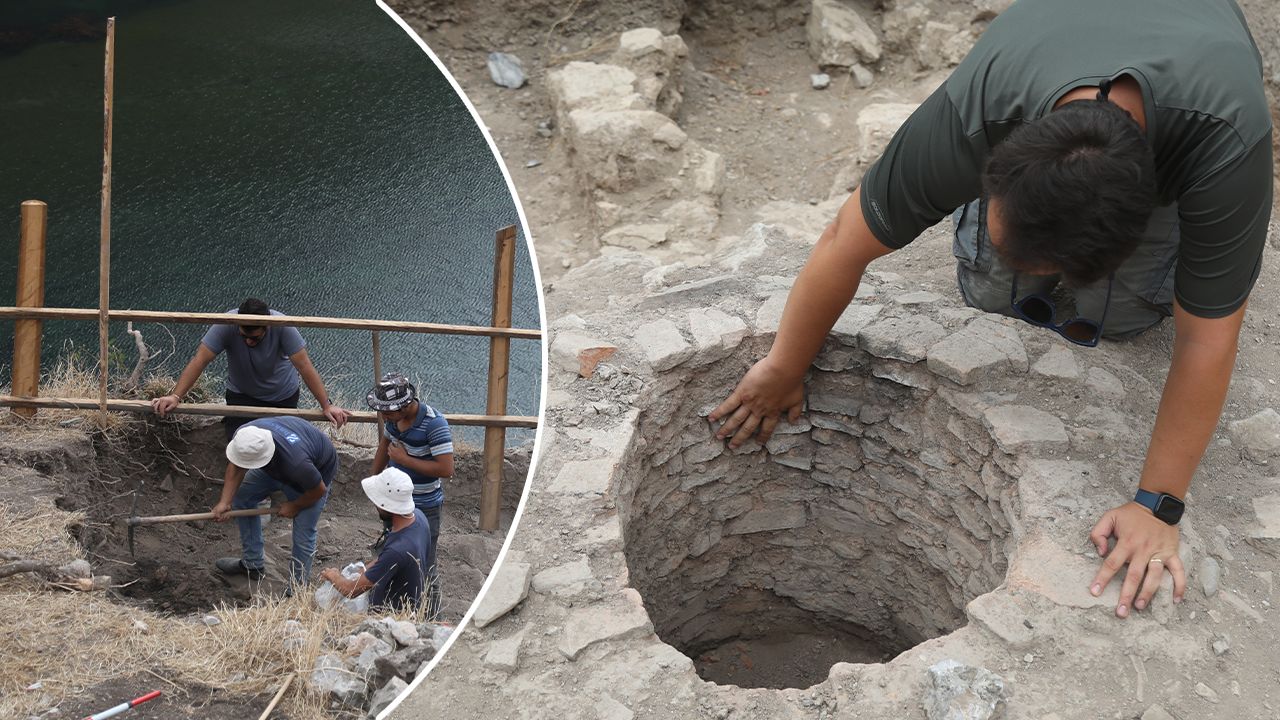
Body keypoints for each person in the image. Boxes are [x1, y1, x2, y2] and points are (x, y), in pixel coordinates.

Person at [711, 0, 1271, 621]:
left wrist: (1157, 504)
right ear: (998, 165)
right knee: (991, 292)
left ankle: (1107, 280)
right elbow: (845, 239)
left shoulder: (1227, 146)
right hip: (1049, 59)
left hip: (1194, 85)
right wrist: (785, 365)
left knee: (1121, 318)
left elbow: (1206, 340)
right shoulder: (981, 105)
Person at [150, 297, 350, 438]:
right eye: (243, 336)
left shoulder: (282, 326)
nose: (248, 342)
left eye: (254, 338)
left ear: (267, 327)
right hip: (241, 394)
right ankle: (248, 494)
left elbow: (305, 366)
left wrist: (326, 405)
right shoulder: (227, 323)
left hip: (282, 396)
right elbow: (199, 360)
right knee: (239, 442)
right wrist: (175, 396)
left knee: (279, 444)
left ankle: (271, 489)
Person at [212, 416, 338, 587]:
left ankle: (297, 590)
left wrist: (295, 505)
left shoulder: (297, 464)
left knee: (303, 533)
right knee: (242, 498)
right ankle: (253, 564)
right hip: (279, 465)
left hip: (315, 477)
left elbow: (318, 490)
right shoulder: (245, 435)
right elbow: (235, 466)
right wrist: (224, 502)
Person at [366, 373, 454, 618]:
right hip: (393, 502)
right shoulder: (393, 419)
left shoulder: (435, 424)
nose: (385, 417)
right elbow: (385, 447)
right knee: (391, 552)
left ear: (406, 405)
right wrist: (374, 480)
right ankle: (396, 608)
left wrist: (405, 460)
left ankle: (432, 617)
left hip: (424, 505)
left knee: (426, 565)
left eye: (389, 412)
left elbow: (446, 469)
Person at [319, 467, 432, 612]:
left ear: (388, 505)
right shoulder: (419, 517)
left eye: (378, 502)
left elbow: (350, 590)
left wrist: (333, 576)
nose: (375, 505)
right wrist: (367, 570)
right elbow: (386, 559)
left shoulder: (397, 551)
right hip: (411, 599)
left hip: (391, 613)